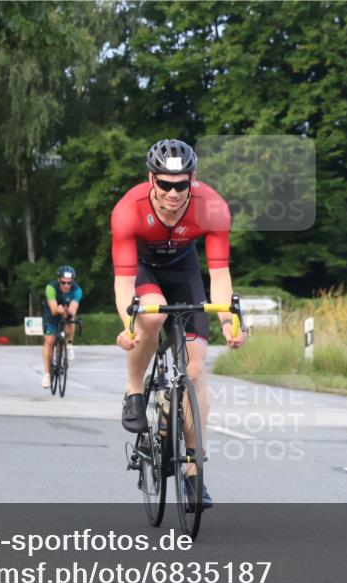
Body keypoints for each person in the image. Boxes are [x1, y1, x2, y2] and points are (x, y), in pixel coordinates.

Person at [111, 138, 245, 510]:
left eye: (181, 184)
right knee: (150, 315)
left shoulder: (212, 208)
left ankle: (193, 474)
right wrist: (128, 324)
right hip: (143, 270)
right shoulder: (128, 210)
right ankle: (135, 390)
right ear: (151, 179)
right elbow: (124, 283)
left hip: (185, 272)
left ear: (193, 180)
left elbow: (219, 274)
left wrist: (228, 321)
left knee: (197, 368)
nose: (173, 193)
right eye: (165, 184)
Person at [42, 265, 83, 389]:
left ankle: (69, 345)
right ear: (58, 280)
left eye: (69, 283)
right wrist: (59, 310)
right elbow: (54, 310)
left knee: (71, 320)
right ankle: (47, 375)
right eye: (63, 282)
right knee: (50, 340)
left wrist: (68, 313)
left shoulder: (77, 290)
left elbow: (73, 310)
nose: (66, 286)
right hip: (51, 315)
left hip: (66, 313)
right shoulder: (51, 288)